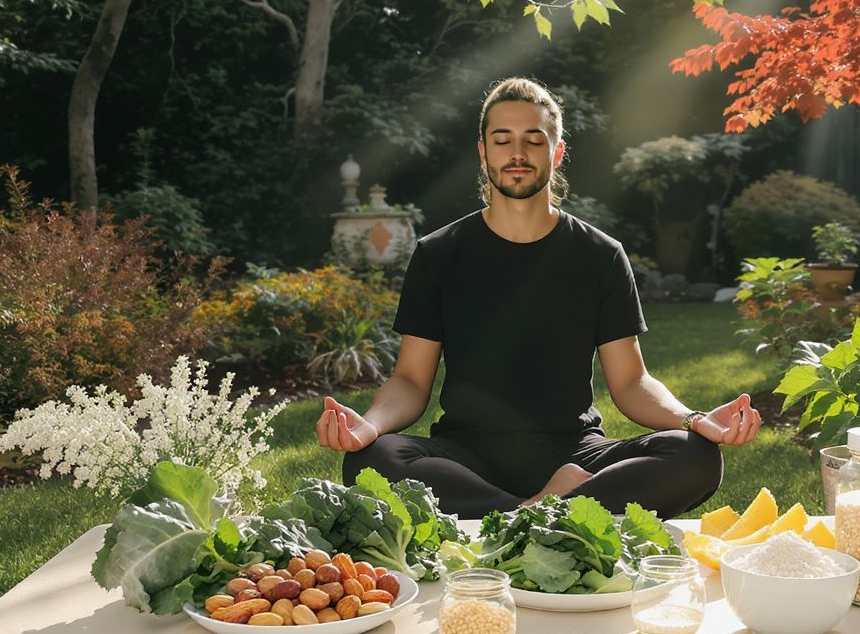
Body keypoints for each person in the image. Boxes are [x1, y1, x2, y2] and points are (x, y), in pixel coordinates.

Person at [316, 77, 761, 519]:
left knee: (696, 456)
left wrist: (693, 420)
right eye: (502, 139)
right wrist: (369, 425)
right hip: (466, 455)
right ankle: (543, 513)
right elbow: (411, 381)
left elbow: (630, 383)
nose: (517, 153)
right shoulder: (439, 253)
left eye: (534, 139)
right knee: (371, 459)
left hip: (575, 453)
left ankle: (507, 521)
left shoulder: (599, 255)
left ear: (557, 151)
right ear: (483, 151)